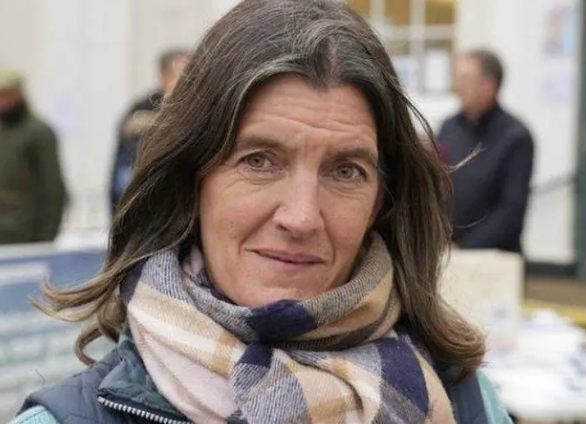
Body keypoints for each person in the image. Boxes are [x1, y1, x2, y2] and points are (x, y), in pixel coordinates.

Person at [13, 1, 512, 423]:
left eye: (345, 172)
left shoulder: (467, 403)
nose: (301, 218)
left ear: (382, 201)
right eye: (258, 161)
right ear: (191, 182)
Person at [438, 49, 535, 253]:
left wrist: (465, 248)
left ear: (489, 85)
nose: (458, 88)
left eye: (465, 80)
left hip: (494, 256)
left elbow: (511, 211)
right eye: (456, 79)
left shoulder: (516, 137)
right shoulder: (448, 127)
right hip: (447, 251)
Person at [109, 49, 189, 215]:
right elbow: (124, 176)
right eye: (180, 74)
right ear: (163, 75)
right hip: (147, 211)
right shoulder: (142, 108)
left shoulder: (196, 109)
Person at [0, 69, 67, 245]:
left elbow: (53, 189)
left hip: (23, 236)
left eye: (5, 95)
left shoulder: (39, 133)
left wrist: (45, 239)